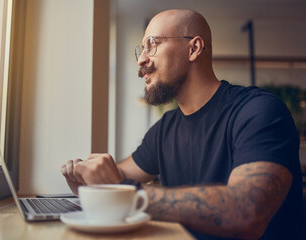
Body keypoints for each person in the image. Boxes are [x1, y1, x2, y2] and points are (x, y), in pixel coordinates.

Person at [61, 9, 303, 240]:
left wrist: (122, 190)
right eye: (141, 49)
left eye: (152, 44)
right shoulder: (165, 129)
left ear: (194, 48)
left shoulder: (258, 111)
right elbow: (117, 176)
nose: (141, 60)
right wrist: (87, 181)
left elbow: (247, 211)